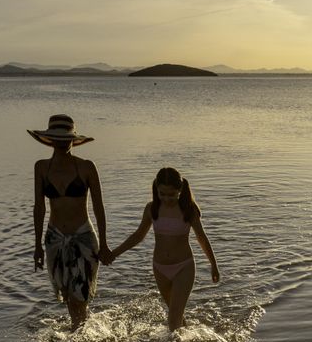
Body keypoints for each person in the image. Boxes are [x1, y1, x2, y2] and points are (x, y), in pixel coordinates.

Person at [106, 167, 220, 330]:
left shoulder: (189, 210)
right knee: (176, 316)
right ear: (156, 189)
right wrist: (114, 253)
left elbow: (201, 238)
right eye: (162, 194)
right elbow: (138, 236)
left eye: (171, 194)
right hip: (160, 268)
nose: (167, 198)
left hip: (184, 267)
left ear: (180, 190)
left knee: (173, 319)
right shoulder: (152, 209)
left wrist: (213, 265)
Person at [30, 114, 110, 328]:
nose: (63, 142)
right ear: (50, 140)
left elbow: (99, 208)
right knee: (67, 295)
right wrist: (37, 246)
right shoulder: (41, 168)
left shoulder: (86, 167)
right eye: (58, 138)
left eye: (66, 138)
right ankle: (81, 333)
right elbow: (39, 208)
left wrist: (104, 244)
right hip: (55, 238)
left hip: (83, 237)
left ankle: (78, 340)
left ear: (73, 140)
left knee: (79, 296)